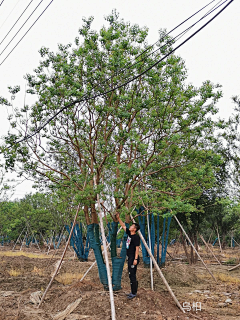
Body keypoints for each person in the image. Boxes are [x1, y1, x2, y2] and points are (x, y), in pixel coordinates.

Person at [116, 213, 140, 299]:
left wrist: (136, 259)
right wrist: (118, 218)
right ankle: (133, 291)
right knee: (131, 274)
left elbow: (137, 248)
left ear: (134, 229)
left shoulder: (136, 237)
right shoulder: (130, 234)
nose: (130, 227)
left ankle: (134, 292)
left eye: (132, 226)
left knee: (132, 274)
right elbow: (123, 226)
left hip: (133, 258)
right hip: (130, 257)